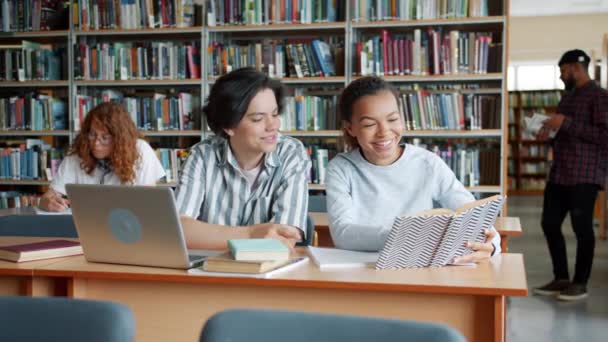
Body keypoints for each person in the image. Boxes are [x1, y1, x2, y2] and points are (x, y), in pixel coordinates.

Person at [326, 76, 500, 262]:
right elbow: (342, 233)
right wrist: (410, 236)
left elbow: (474, 214)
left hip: (418, 266)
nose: (384, 131)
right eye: (369, 124)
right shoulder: (340, 168)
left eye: (393, 119)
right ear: (350, 128)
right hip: (361, 269)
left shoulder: (428, 163)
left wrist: (493, 244)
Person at [175, 68, 310, 251]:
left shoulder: (291, 153)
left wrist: (212, 236)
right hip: (210, 270)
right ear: (229, 126)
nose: (273, 126)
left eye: (275, 114)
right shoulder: (201, 156)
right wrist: (250, 234)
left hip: (268, 271)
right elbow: (180, 229)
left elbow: (283, 237)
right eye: (257, 119)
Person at [533, 49, 608, 301]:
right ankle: (561, 277)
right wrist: (548, 133)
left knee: (581, 227)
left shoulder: (599, 97)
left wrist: (565, 124)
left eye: (563, 70)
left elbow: (603, 136)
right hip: (560, 172)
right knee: (550, 223)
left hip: (585, 174)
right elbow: (566, 132)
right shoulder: (568, 98)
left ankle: (580, 282)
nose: (561, 75)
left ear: (577, 67)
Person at [39, 102, 166, 212]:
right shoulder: (80, 151)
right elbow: (47, 197)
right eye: (92, 135)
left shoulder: (140, 150)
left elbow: (148, 204)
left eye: (105, 137)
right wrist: (47, 203)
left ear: (120, 139)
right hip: (86, 226)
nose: (96, 143)